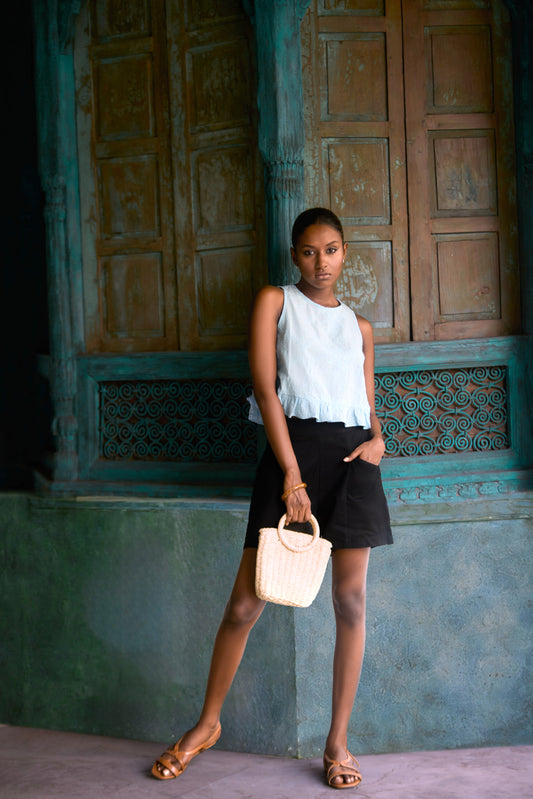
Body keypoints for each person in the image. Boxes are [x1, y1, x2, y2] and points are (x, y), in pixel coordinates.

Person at [151, 207, 393, 789]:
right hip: (293, 458)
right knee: (245, 605)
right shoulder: (275, 302)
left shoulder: (359, 328)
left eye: (331, 250)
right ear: (294, 255)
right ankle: (207, 724)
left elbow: (366, 404)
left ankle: (337, 743)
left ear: (344, 252)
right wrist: (291, 475)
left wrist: (379, 440)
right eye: (309, 251)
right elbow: (266, 390)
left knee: (351, 603)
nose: (321, 262)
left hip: (354, 466)